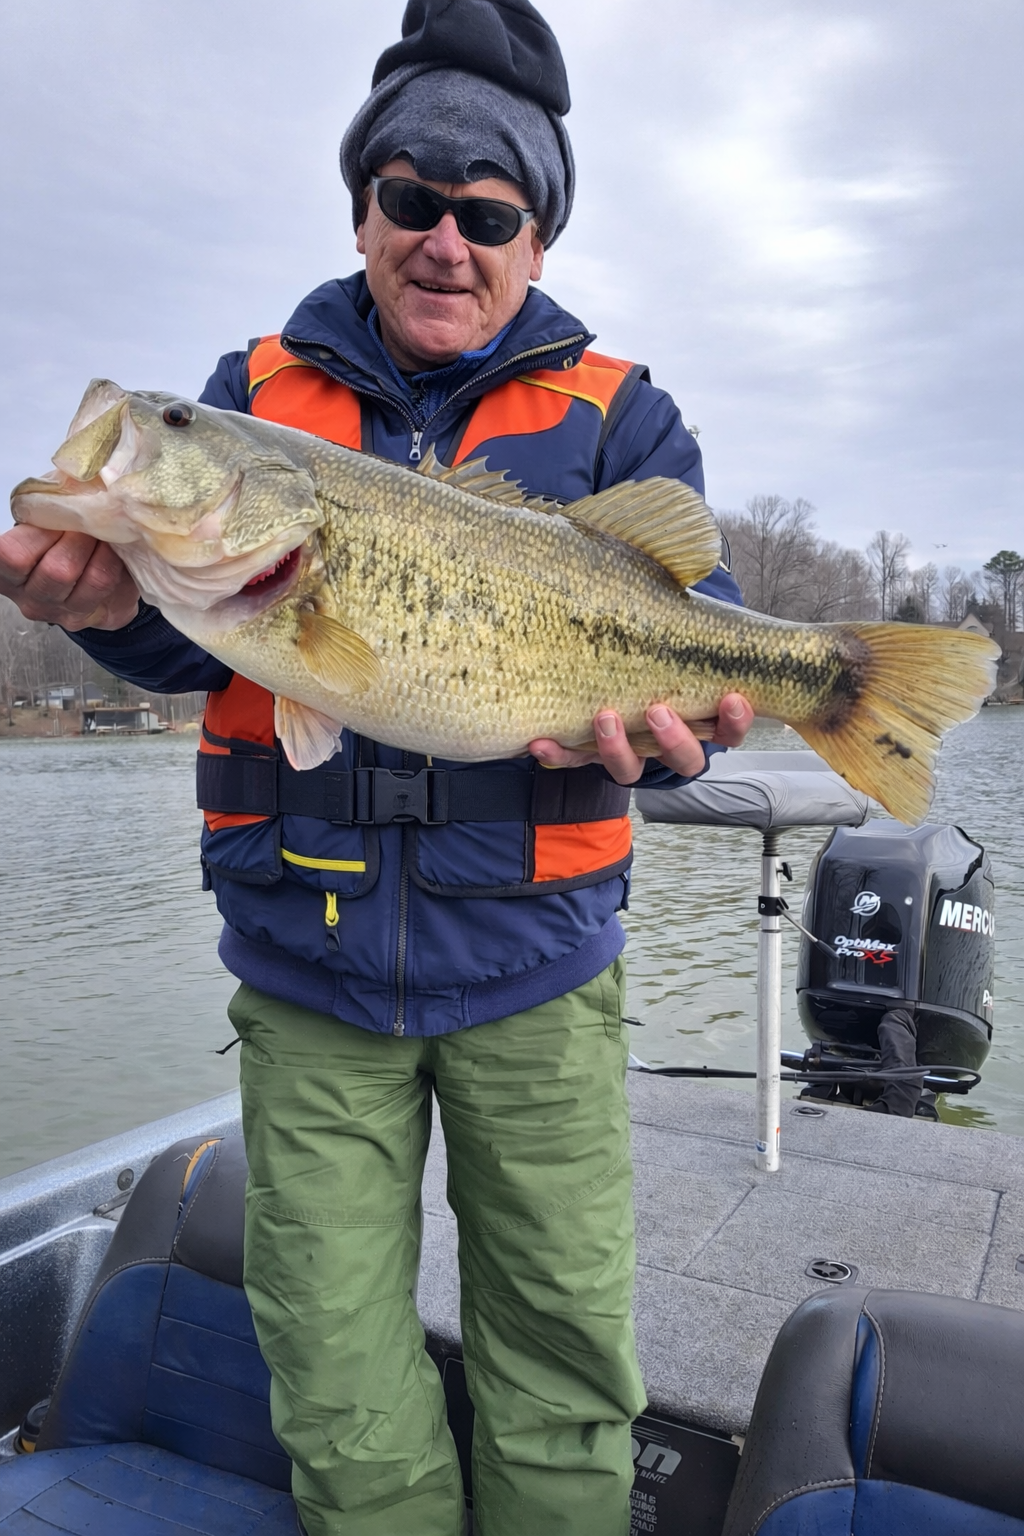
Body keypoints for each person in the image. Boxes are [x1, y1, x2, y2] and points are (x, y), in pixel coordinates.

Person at [0, 3, 752, 1531]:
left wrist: (694, 726)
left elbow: (698, 641)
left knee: (560, 1357)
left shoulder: (622, 413)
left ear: (536, 239)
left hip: (539, 968)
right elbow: (210, 646)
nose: (446, 241)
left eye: (489, 214)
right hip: (304, 970)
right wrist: (111, 613)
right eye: (412, 199)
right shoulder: (254, 398)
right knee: (335, 1373)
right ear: (363, 208)